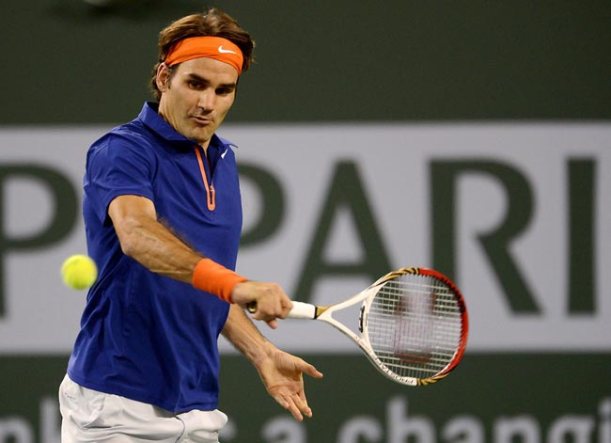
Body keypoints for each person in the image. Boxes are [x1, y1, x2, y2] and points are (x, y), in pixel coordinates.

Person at [59, 8, 323, 443]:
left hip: (198, 407)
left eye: (223, 90)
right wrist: (238, 285)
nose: (207, 103)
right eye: (195, 84)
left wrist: (261, 354)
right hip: (115, 405)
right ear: (164, 77)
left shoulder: (223, 161)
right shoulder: (122, 150)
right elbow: (138, 236)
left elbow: (201, 281)